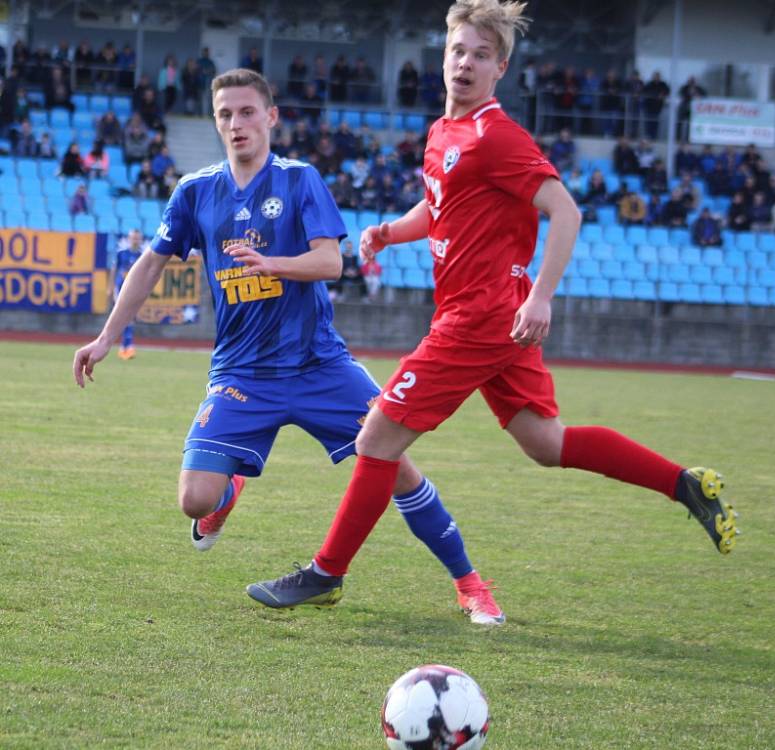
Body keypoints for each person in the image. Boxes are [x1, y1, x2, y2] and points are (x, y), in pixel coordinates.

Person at [250, 0, 739, 614]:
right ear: (444, 55)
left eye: (481, 55)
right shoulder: (442, 132)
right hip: (491, 316)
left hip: (480, 316)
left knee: (376, 437)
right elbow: (439, 208)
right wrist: (389, 232)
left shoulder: (497, 135)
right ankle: (682, 482)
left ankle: (326, 573)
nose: (466, 63)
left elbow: (566, 210)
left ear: (500, 67)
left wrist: (541, 295)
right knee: (545, 442)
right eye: (458, 50)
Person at [72, 67, 505, 626]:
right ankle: (227, 494)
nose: (236, 124)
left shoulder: (300, 180)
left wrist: (273, 263)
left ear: (270, 117)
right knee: (193, 501)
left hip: (319, 366)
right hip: (241, 374)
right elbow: (151, 262)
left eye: (247, 112)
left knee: (393, 463)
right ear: (215, 122)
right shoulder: (195, 191)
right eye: (225, 114)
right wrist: (108, 336)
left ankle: (470, 583)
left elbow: (332, 261)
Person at [108, 229, 146, 359]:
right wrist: (111, 287)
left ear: (140, 240)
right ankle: (127, 347)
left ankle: (125, 347)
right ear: (129, 239)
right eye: (133, 238)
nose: (135, 240)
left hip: (134, 290)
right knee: (125, 317)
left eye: (137, 238)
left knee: (130, 317)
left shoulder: (143, 255)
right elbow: (114, 270)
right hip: (121, 289)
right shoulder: (122, 254)